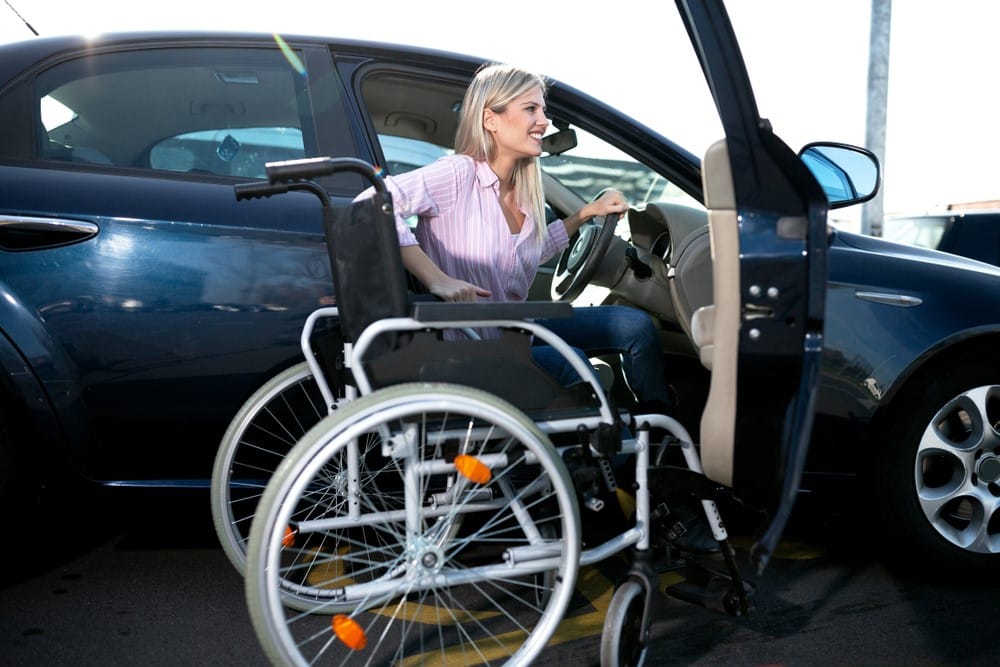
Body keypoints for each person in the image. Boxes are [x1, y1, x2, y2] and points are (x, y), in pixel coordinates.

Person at [360, 62, 673, 414]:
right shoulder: (459, 174)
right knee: (577, 366)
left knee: (636, 327)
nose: (544, 121)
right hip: (479, 342)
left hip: (517, 325)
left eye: (543, 110)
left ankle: (658, 430)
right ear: (490, 120)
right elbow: (372, 205)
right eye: (530, 109)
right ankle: (615, 458)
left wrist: (584, 215)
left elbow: (524, 255)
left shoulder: (523, 191)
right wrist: (438, 279)